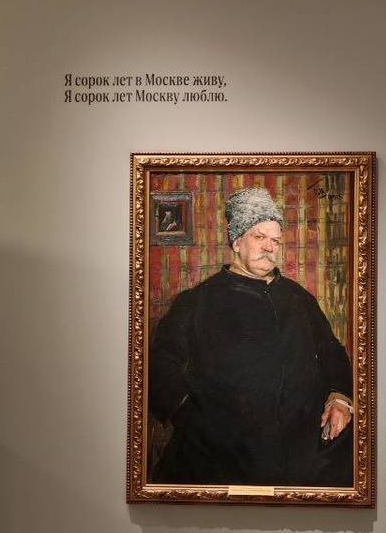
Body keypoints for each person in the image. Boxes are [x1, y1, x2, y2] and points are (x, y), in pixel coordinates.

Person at [148, 187, 354, 487]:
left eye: (275, 240)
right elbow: (159, 364)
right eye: (259, 237)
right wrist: (190, 416)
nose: (269, 247)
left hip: (303, 450)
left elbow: (332, 353)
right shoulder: (197, 301)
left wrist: (340, 399)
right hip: (218, 455)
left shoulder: (298, 298)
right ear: (236, 242)